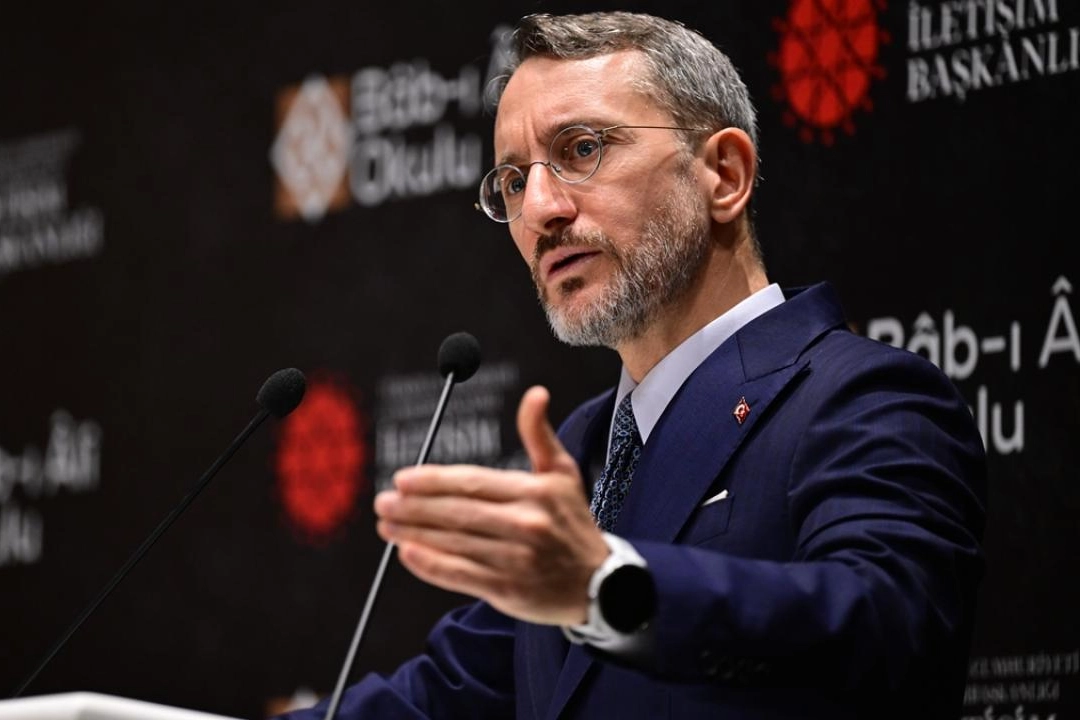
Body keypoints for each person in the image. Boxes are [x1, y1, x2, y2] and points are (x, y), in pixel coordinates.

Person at [280, 11, 986, 719]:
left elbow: (885, 634)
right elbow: (448, 695)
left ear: (724, 174)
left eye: (583, 148)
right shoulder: (583, 446)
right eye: (514, 181)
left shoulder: (862, 397)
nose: (541, 209)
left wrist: (606, 587)